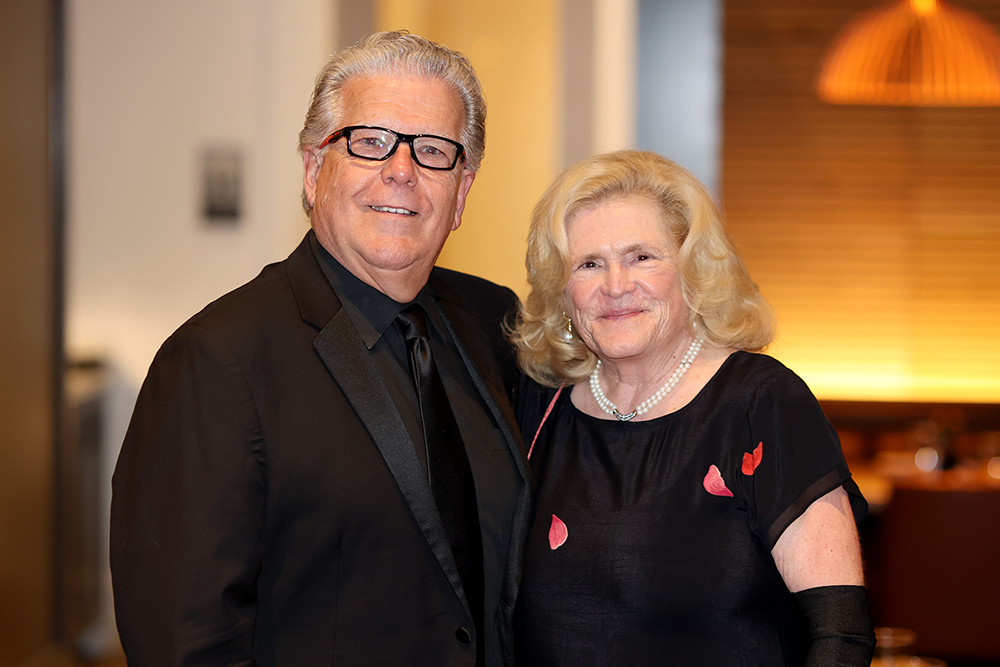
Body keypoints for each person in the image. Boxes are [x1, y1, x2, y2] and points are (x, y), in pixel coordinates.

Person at [111, 32, 529, 667]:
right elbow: (184, 640)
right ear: (313, 170)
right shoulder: (217, 361)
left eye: (433, 150)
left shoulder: (492, 322)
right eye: (370, 141)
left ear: (462, 192)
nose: (402, 170)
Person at [509, 150, 875, 666]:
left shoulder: (761, 404)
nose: (615, 286)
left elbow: (840, 634)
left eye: (642, 257)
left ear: (693, 271)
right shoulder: (535, 409)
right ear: (563, 292)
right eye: (589, 264)